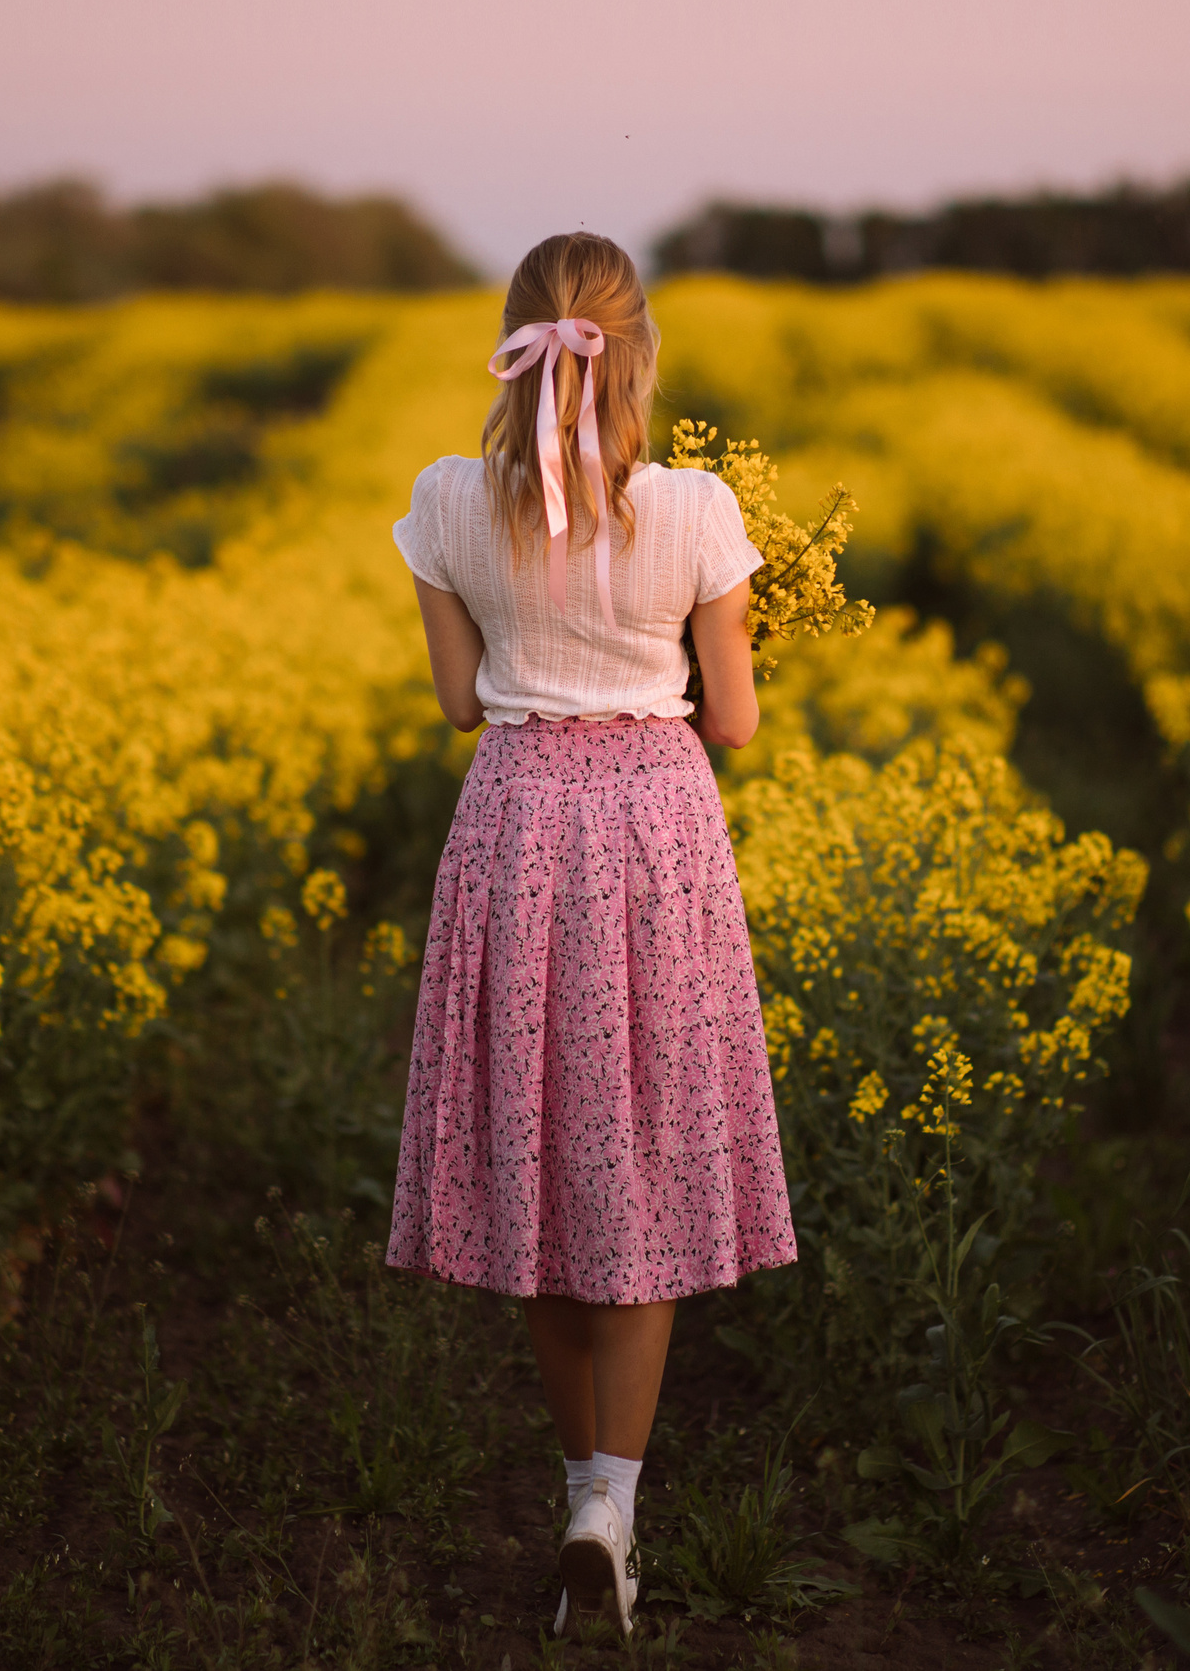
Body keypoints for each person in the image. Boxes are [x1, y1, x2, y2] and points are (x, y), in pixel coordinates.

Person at [385, 232, 798, 1637]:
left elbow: (459, 698)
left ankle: (579, 1494)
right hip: (653, 838)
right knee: (644, 1157)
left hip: (514, 830)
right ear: (641, 353)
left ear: (512, 343)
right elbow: (731, 719)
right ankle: (615, 1509)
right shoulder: (695, 510)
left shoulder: (448, 505)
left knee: (547, 1156)